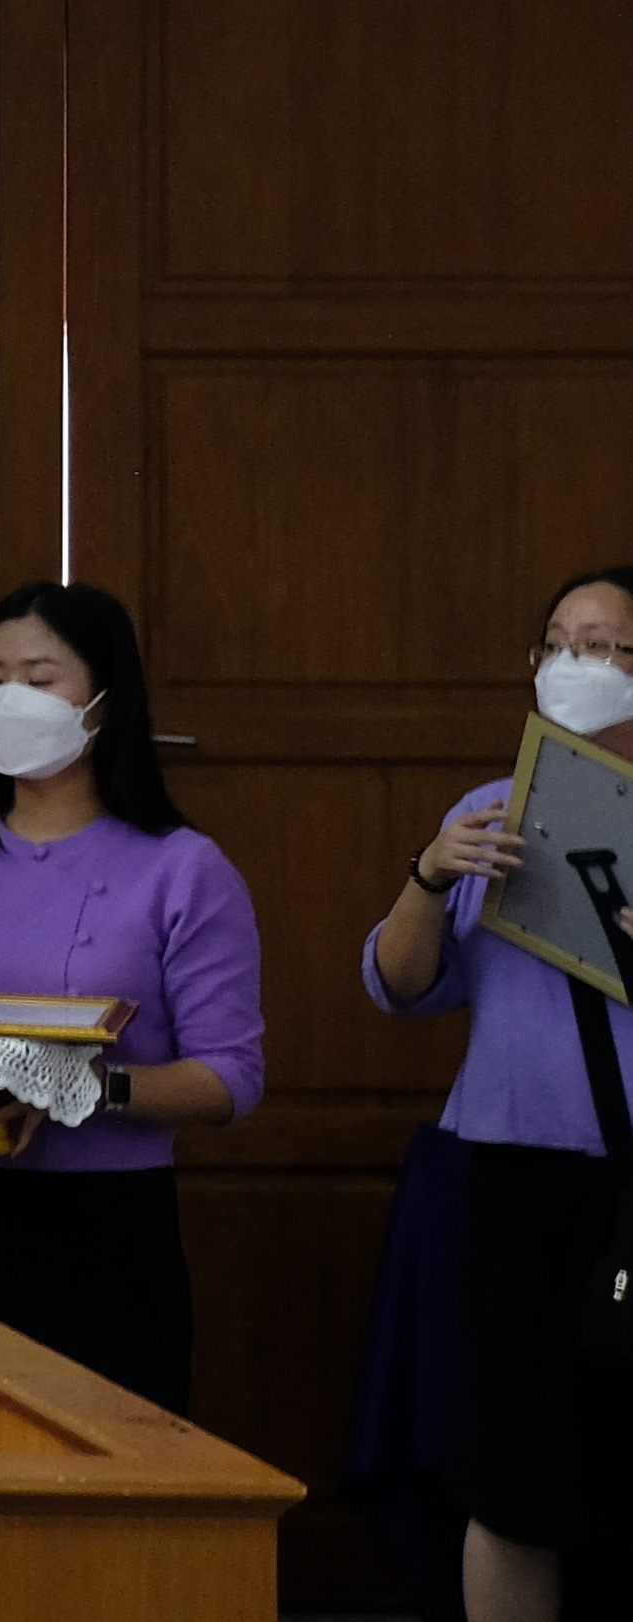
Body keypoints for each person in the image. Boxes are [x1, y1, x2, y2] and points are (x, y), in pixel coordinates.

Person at [0, 582, 263, 1411]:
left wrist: (78, 1088)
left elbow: (229, 1078)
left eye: (38, 680)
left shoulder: (183, 869)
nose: (10, 700)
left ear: (105, 702)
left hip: (105, 1234)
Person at [363, 566, 633, 1622]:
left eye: (603, 645)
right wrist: (431, 873)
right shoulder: (489, 810)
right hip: (513, 1177)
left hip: (628, 1180)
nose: (574, 665)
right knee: (512, 1475)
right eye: (556, 644)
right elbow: (400, 985)